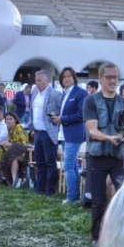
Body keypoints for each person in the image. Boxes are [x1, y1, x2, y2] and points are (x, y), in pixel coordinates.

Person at [84, 63, 124, 243]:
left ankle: (119, 234)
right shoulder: (91, 101)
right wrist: (110, 138)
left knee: (122, 197)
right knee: (98, 201)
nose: (113, 80)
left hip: (117, 157)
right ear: (101, 79)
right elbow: (92, 131)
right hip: (96, 157)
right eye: (109, 77)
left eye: (115, 77)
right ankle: (97, 237)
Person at [53, 67, 88, 205]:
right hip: (63, 133)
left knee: (67, 165)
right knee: (72, 166)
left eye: (69, 76)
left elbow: (82, 115)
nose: (66, 79)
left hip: (74, 133)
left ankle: (72, 198)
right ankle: (74, 196)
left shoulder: (80, 93)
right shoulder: (64, 94)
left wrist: (63, 119)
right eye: (64, 77)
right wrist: (57, 118)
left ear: (74, 78)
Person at [31, 70, 62, 197]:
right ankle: (40, 188)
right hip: (37, 132)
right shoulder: (34, 93)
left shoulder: (55, 94)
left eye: (40, 81)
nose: (37, 83)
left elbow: (62, 112)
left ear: (47, 81)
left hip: (49, 132)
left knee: (50, 162)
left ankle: (50, 190)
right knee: (39, 162)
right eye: (36, 81)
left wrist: (56, 117)